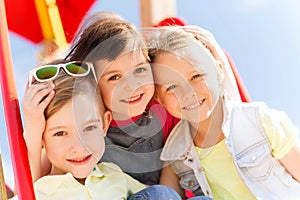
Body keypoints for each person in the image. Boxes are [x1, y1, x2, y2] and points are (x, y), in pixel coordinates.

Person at [148, 27, 300, 199]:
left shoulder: (261, 121)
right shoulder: (175, 152)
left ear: (218, 71)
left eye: (196, 76)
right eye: (172, 87)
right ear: (159, 99)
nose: (188, 92)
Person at [17, 60, 181, 200]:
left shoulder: (113, 175)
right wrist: (32, 131)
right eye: (60, 133)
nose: (80, 146)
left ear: (104, 124)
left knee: (163, 194)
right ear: (41, 139)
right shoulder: (40, 191)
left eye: (89, 128)